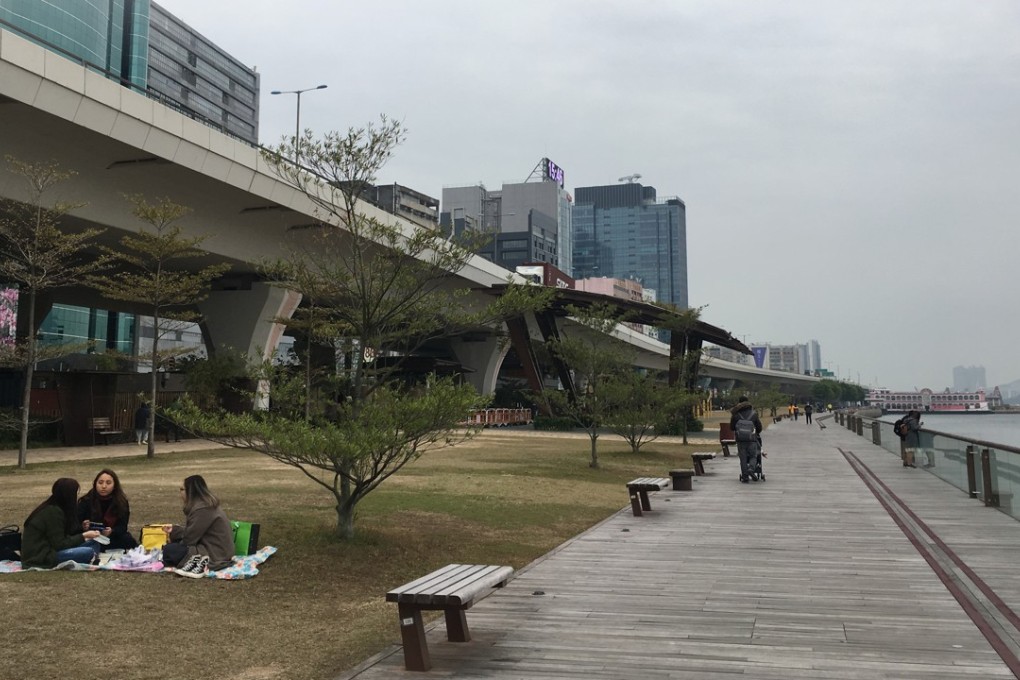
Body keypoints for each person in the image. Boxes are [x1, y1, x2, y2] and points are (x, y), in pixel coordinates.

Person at [161, 475, 235, 577]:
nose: (180, 493)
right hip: (218, 549)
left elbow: (189, 539)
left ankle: (198, 563)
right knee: (172, 548)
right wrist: (174, 530)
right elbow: (195, 531)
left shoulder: (202, 509)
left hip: (215, 554)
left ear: (191, 491)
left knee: (169, 550)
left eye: (182, 489)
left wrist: (175, 540)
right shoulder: (205, 505)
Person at [21, 478, 102, 568]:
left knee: (93, 542)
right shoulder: (52, 511)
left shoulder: (57, 507)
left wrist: (81, 529)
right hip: (42, 556)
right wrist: (83, 536)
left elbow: (63, 535)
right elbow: (60, 544)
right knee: (87, 552)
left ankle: (91, 558)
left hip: (51, 548)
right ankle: (91, 557)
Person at [77, 469, 139, 552]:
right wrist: (84, 526)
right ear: (95, 484)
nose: (104, 486)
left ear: (114, 485)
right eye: (100, 482)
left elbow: (122, 527)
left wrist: (112, 531)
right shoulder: (86, 501)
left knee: (128, 540)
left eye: (108, 483)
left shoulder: (121, 502)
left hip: (112, 537)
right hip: (91, 537)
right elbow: (75, 527)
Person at [730, 396, 764, 484]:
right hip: (751, 439)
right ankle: (751, 468)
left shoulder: (736, 414)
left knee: (743, 458)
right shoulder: (754, 414)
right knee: (753, 456)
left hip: (740, 440)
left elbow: (732, 427)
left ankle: (745, 477)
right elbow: (759, 428)